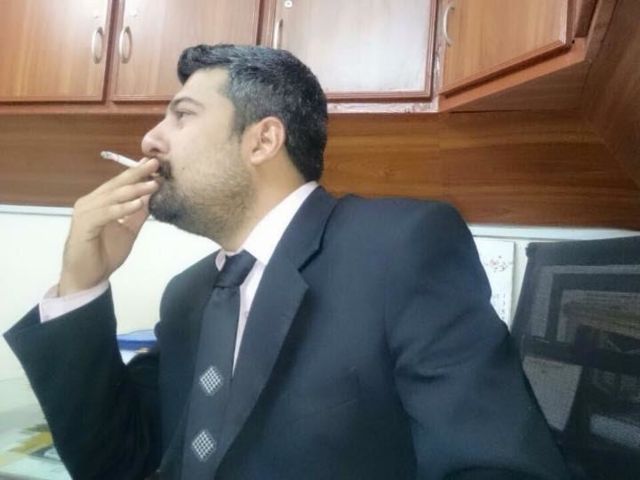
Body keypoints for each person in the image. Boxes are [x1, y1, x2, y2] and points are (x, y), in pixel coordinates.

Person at [5, 44, 569, 480]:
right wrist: (80, 282)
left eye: (182, 115)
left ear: (262, 140)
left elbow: (498, 465)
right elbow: (115, 464)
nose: (150, 138)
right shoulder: (188, 295)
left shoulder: (402, 246)